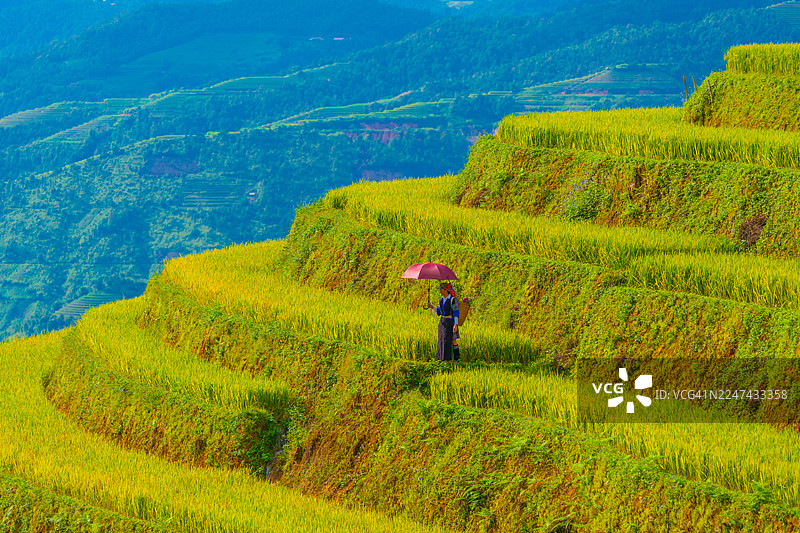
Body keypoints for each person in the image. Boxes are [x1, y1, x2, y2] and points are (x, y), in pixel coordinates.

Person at [424, 282, 459, 362]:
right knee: (441, 339)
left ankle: (454, 358)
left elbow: (456, 312)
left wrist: (455, 324)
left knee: (450, 340)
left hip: (450, 322)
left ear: (446, 290)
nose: (440, 291)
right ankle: (441, 358)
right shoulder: (441, 299)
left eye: (441, 290)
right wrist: (431, 307)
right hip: (442, 322)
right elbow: (439, 312)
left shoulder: (452, 300)